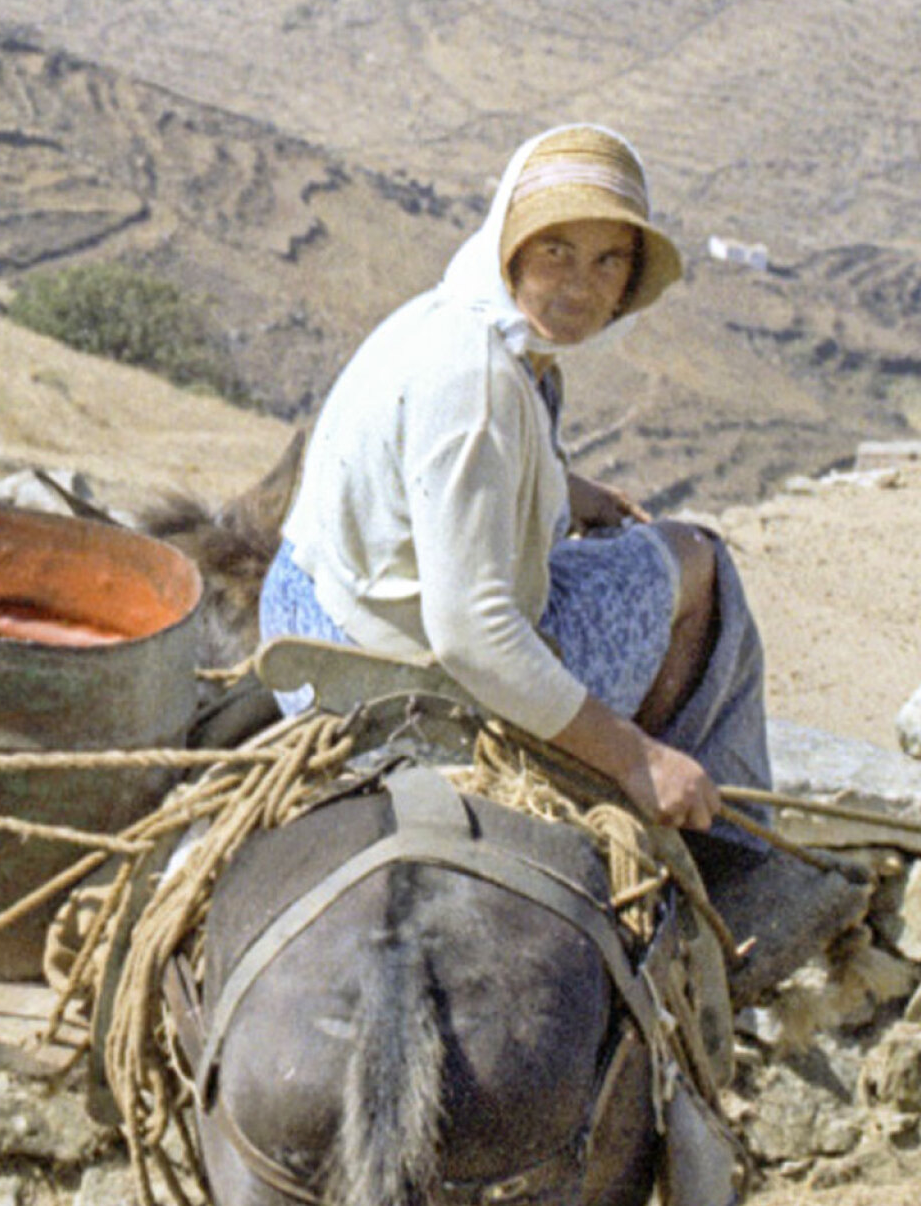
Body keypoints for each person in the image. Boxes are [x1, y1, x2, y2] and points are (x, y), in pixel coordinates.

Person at [260, 123, 762, 837]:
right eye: (556, 252)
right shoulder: (480, 387)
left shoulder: (458, 318)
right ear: (513, 247)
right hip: (396, 685)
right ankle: (695, 837)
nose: (579, 288)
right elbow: (472, 633)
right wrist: (634, 756)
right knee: (699, 562)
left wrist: (562, 487)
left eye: (607, 261)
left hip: (316, 618)